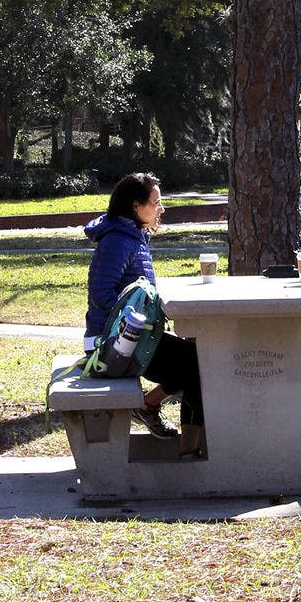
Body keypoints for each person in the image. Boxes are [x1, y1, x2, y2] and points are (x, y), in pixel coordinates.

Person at [84, 172, 204, 458]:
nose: (161, 209)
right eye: (156, 202)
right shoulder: (118, 240)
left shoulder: (132, 236)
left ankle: (150, 406)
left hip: (129, 338)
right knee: (199, 363)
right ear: (136, 206)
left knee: (197, 358)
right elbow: (101, 293)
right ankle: (189, 451)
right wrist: (138, 323)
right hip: (111, 345)